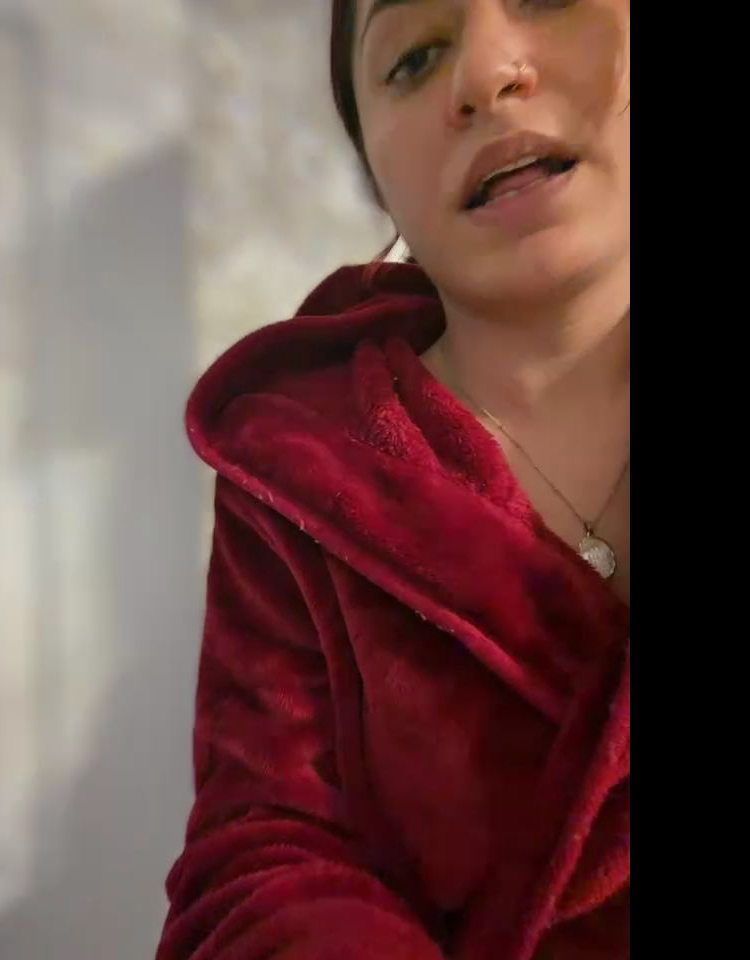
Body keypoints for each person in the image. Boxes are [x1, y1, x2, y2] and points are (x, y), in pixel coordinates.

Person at [158, 2, 630, 957]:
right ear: (375, 176)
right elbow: (268, 860)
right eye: (414, 57)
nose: (486, 74)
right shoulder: (298, 467)